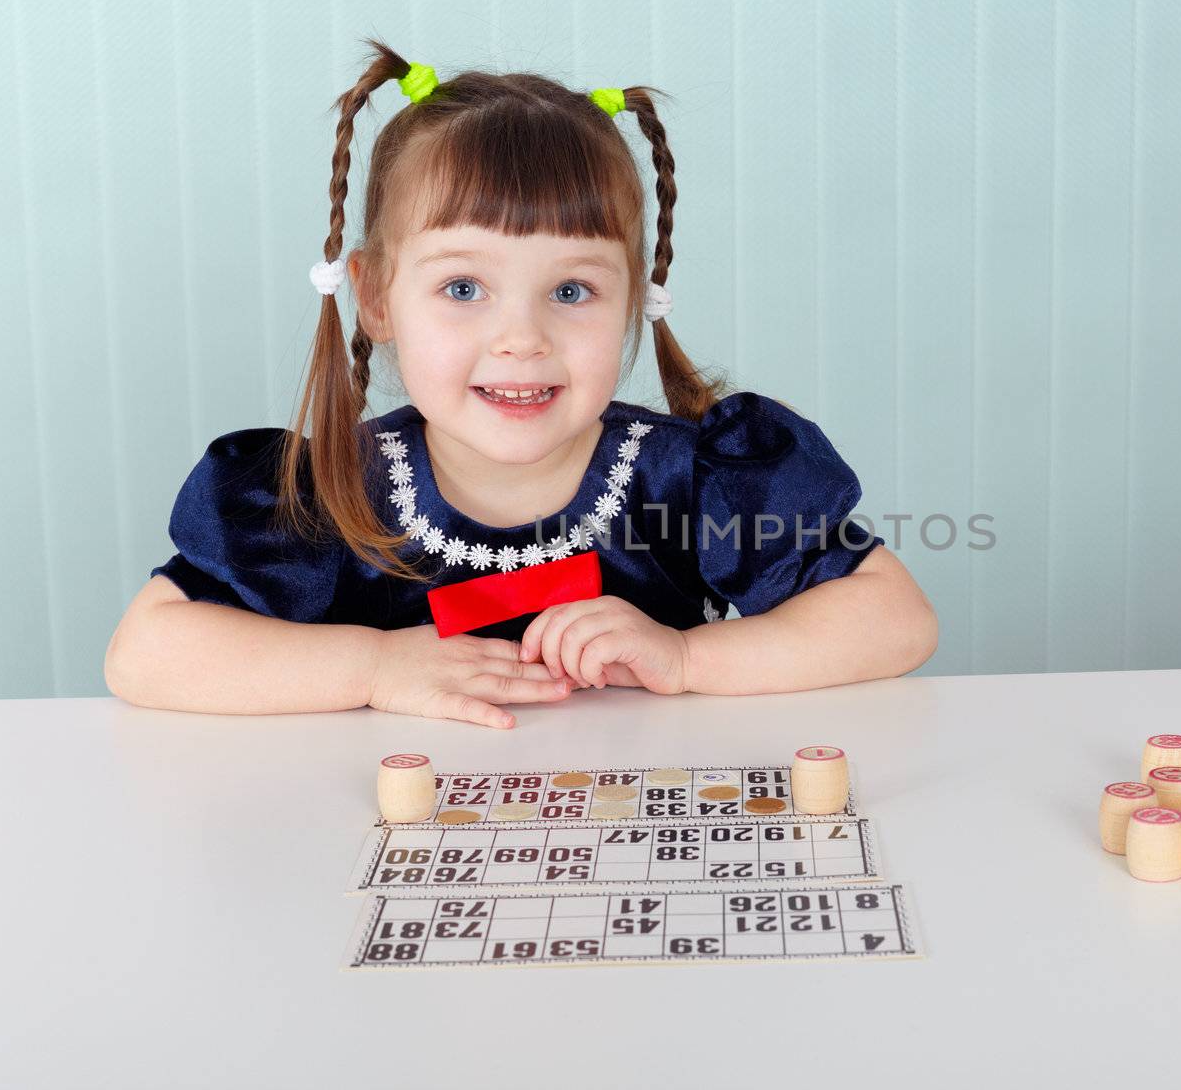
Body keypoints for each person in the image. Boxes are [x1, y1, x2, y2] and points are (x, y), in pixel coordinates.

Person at [105, 38, 937, 728]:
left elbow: (895, 619)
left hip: (639, 830)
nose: (521, 340)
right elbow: (147, 651)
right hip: (404, 845)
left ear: (631, 302)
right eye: (462, 289)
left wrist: (687, 658)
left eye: (571, 292)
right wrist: (375, 666)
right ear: (374, 297)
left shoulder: (690, 480)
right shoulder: (329, 496)